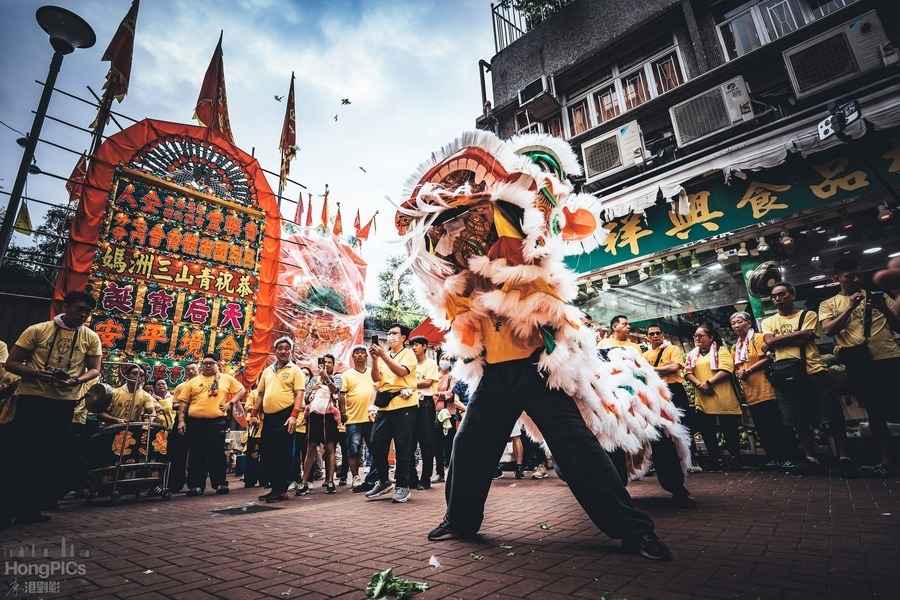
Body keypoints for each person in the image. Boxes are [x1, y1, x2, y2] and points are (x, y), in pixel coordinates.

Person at [396, 131, 685, 560]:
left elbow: (522, 232)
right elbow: (444, 269)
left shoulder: (520, 244)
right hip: (495, 374)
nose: (464, 230)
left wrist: (498, 213)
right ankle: (459, 519)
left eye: (472, 222)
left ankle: (634, 530)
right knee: (469, 447)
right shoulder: (462, 272)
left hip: (537, 370)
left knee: (578, 452)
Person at [3, 291, 102, 526]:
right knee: (19, 454)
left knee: (48, 456)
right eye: (79, 309)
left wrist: (77, 380)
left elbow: (94, 369)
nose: (83, 315)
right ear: (66, 306)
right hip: (33, 398)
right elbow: (12, 363)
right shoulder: (38, 329)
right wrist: (38, 374)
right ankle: (6, 508)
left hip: (64, 402)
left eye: (87, 312)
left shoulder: (90, 337)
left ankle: (31, 508)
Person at [762, 283, 855, 476]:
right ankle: (811, 457)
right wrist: (798, 335)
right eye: (774, 296)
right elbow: (770, 342)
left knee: (831, 414)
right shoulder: (768, 321)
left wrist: (780, 340)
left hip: (813, 370)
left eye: (782, 294)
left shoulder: (808, 315)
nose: (778, 298)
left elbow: (801, 338)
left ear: (792, 294)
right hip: (787, 373)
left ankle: (843, 457)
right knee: (799, 418)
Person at [820, 257, 900, 476]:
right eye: (849, 276)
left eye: (857, 275)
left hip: (889, 355)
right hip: (859, 360)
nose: (855, 279)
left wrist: (884, 307)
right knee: (875, 411)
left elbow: (897, 323)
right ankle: (886, 460)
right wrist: (851, 307)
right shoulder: (829, 304)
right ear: (836, 278)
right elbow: (829, 330)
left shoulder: (877, 296)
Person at [729, 312, 791, 470]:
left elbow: (768, 357)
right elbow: (736, 368)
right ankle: (772, 457)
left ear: (748, 323)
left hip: (766, 388)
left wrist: (748, 370)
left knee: (776, 424)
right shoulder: (735, 347)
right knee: (762, 427)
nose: (736, 325)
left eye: (739, 321)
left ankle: (787, 457)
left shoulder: (758, 337)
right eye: (733, 323)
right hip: (750, 393)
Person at [176, 353, 246, 495]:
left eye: (211, 363)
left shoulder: (226, 379)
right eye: (205, 363)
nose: (207, 366)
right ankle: (196, 486)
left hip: (217, 422)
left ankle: (220, 483)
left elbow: (241, 390)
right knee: (196, 454)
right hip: (195, 422)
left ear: (217, 364)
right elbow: (183, 402)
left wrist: (230, 403)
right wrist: (181, 421)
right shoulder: (193, 381)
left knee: (217, 453)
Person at [366, 324, 419, 504]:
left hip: (404, 404)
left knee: (403, 446)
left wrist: (382, 355)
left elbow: (401, 371)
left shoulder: (409, 353)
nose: (390, 336)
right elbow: (376, 378)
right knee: (375, 443)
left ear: (404, 337)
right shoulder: (383, 355)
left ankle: (403, 485)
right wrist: (374, 359)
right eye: (388, 333)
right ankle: (383, 481)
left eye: (394, 333)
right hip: (384, 405)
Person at [252, 337, 306, 502]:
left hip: (286, 416)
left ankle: (281, 490)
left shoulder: (295, 370)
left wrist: (293, 416)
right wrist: (254, 414)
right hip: (268, 418)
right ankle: (274, 488)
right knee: (268, 453)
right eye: (280, 348)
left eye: (286, 348)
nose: (283, 351)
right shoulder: (267, 371)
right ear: (275, 351)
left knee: (283, 454)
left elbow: (299, 394)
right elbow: (260, 393)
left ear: (290, 351)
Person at [685, 324, 743, 470]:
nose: (697, 338)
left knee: (729, 431)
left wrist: (709, 383)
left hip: (723, 398)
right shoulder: (692, 354)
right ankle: (715, 459)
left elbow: (726, 369)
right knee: (708, 432)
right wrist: (700, 385)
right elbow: (687, 372)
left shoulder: (721, 350)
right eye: (695, 336)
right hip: (703, 400)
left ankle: (734, 460)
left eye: (701, 335)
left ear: (711, 337)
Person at [642, 324, 699, 471]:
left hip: (674, 390)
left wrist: (652, 370)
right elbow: (644, 374)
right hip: (656, 392)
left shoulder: (673, 349)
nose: (655, 336)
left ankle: (692, 461)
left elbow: (675, 367)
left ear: (662, 335)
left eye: (657, 333)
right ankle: (672, 462)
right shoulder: (645, 356)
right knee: (663, 425)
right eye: (652, 334)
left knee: (683, 423)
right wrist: (663, 369)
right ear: (648, 337)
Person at [295, 357, 341, 496]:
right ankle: (304, 482)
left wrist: (326, 378)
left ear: (333, 365)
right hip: (314, 416)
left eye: (329, 363)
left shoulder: (337, 378)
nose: (326, 365)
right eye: (323, 362)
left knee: (330, 448)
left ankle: (330, 481)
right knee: (311, 448)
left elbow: (336, 393)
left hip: (329, 416)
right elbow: (307, 397)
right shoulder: (314, 379)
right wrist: (313, 389)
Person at [341, 345, 376, 489]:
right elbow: (341, 394)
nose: (360, 355)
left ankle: (373, 478)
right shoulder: (347, 375)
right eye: (357, 353)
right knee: (353, 449)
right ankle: (355, 477)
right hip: (353, 419)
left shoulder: (372, 372)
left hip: (371, 418)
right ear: (353, 357)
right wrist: (343, 412)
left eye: (363, 353)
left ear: (367, 356)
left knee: (374, 449)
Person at [409, 336, 440, 490]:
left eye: (416, 345)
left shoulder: (431, 363)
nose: (414, 348)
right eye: (412, 345)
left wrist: (410, 384)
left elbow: (428, 382)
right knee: (409, 441)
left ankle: (425, 478)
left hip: (426, 404)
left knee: (426, 441)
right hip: (411, 403)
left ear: (425, 346)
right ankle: (412, 477)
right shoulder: (410, 364)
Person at [167, 363, 197, 494]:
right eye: (188, 369)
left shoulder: (203, 386)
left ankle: (194, 484)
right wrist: (187, 405)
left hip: (197, 422)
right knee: (178, 453)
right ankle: (175, 483)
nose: (191, 371)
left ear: (198, 370)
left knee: (196, 454)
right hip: (181, 421)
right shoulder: (181, 387)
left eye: (193, 369)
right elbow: (174, 405)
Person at [242, 386, 265, 488]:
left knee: (266, 455)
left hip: (268, 428)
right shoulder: (254, 393)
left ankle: (264, 480)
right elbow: (247, 406)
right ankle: (250, 480)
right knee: (252, 455)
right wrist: (256, 410)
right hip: (254, 430)